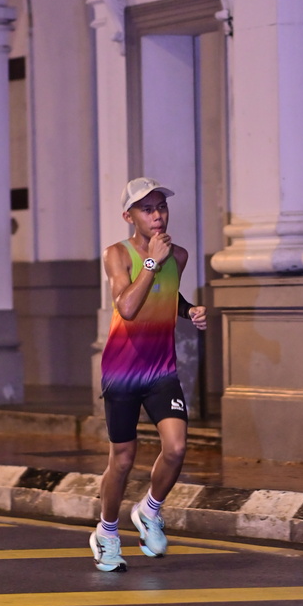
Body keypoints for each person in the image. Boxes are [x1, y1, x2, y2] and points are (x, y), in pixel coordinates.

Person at [90, 176, 207, 572]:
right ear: (129, 217)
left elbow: (167, 295)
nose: (157, 215)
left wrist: (189, 310)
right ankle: (106, 533)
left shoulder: (179, 256)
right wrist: (152, 262)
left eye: (161, 207)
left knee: (176, 448)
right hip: (122, 371)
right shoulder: (116, 254)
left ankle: (150, 510)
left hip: (161, 369)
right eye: (146, 209)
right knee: (122, 460)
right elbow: (127, 307)